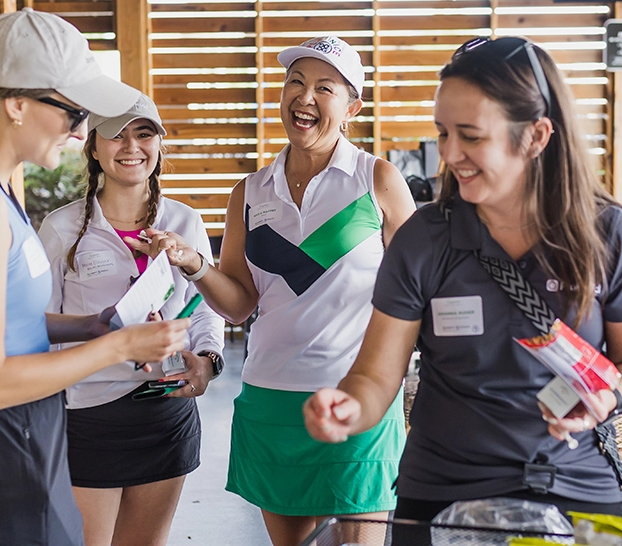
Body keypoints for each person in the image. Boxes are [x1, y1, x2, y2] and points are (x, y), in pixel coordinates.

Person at [303, 36, 622, 522]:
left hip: (575, 482)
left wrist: (607, 398)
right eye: (442, 134)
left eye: (470, 136)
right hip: (442, 491)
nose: (449, 155)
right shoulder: (424, 240)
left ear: (536, 136)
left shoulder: (606, 233)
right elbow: (375, 377)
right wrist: (349, 408)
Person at [0, 8, 188, 545]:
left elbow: (10, 319)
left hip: (21, 434)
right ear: (16, 105)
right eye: (73, 114)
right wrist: (119, 345)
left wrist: (92, 326)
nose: (81, 133)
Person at [133, 35, 417, 546]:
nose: (303, 98)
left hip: (359, 398)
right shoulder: (250, 190)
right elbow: (241, 302)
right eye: (295, 83)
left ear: (352, 106)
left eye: (323, 88)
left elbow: (421, 288)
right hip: (272, 397)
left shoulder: (378, 180)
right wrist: (195, 263)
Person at [37, 94, 225, 546]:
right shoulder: (61, 228)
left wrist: (209, 360)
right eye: (115, 134)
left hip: (168, 411)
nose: (131, 146)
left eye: (143, 134)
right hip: (90, 417)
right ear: (94, 148)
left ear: (159, 145)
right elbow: (37, 325)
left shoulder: (184, 219)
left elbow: (205, 308)